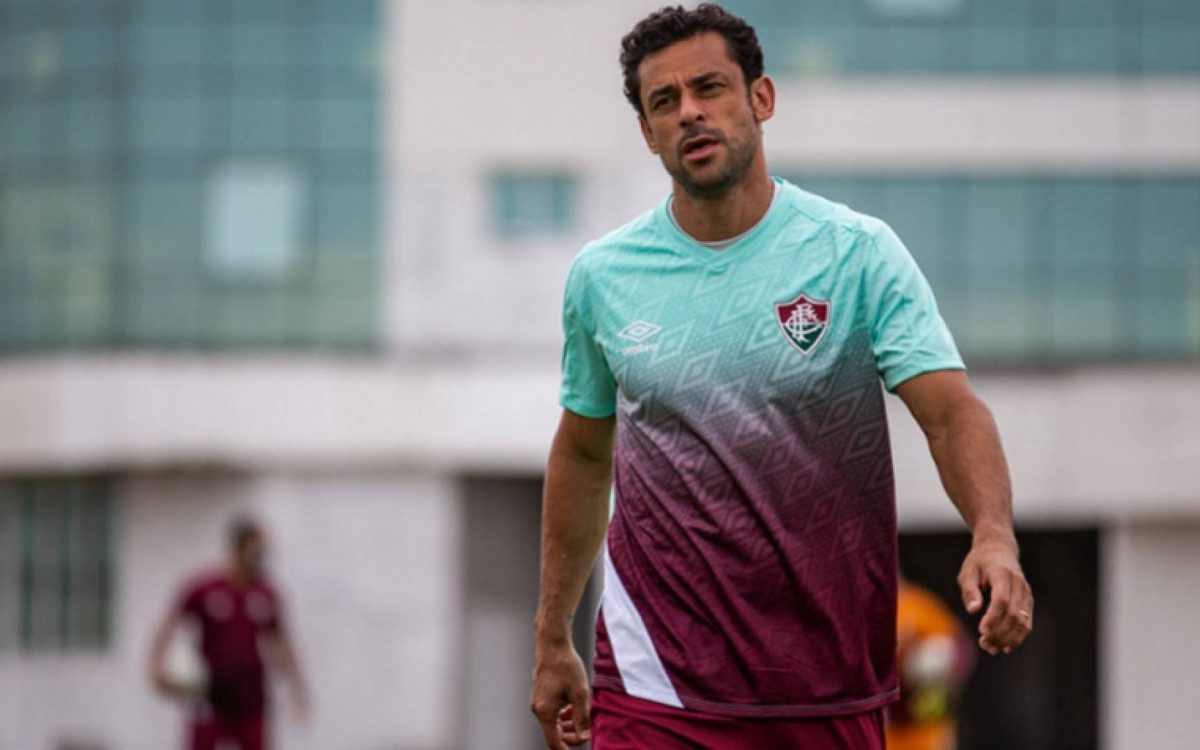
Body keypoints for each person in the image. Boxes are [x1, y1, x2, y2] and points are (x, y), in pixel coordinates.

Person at [530, 4, 1034, 749]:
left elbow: (952, 412)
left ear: (760, 99)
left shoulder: (856, 255)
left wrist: (994, 535)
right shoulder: (603, 278)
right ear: (647, 132)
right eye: (664, 102)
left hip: (826, 683)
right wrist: (551, 637)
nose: (690, 113)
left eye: (710, 88)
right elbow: (581, 451)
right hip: (654, 683)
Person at [149, 516, 308, 750]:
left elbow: (282, 642)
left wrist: (297, 688)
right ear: (237, 548)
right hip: (209, 697)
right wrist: (158, 667)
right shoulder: (206, 587)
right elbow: (168, 624)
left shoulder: (266, 593)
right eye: (256, 550)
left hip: (251, 700)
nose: (260, 558)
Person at [887, 578, 977, 750]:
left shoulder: (921, 606)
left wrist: (928, 664)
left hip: (926, 731)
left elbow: (961, 650)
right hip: (885, 730)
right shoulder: (862, 611)